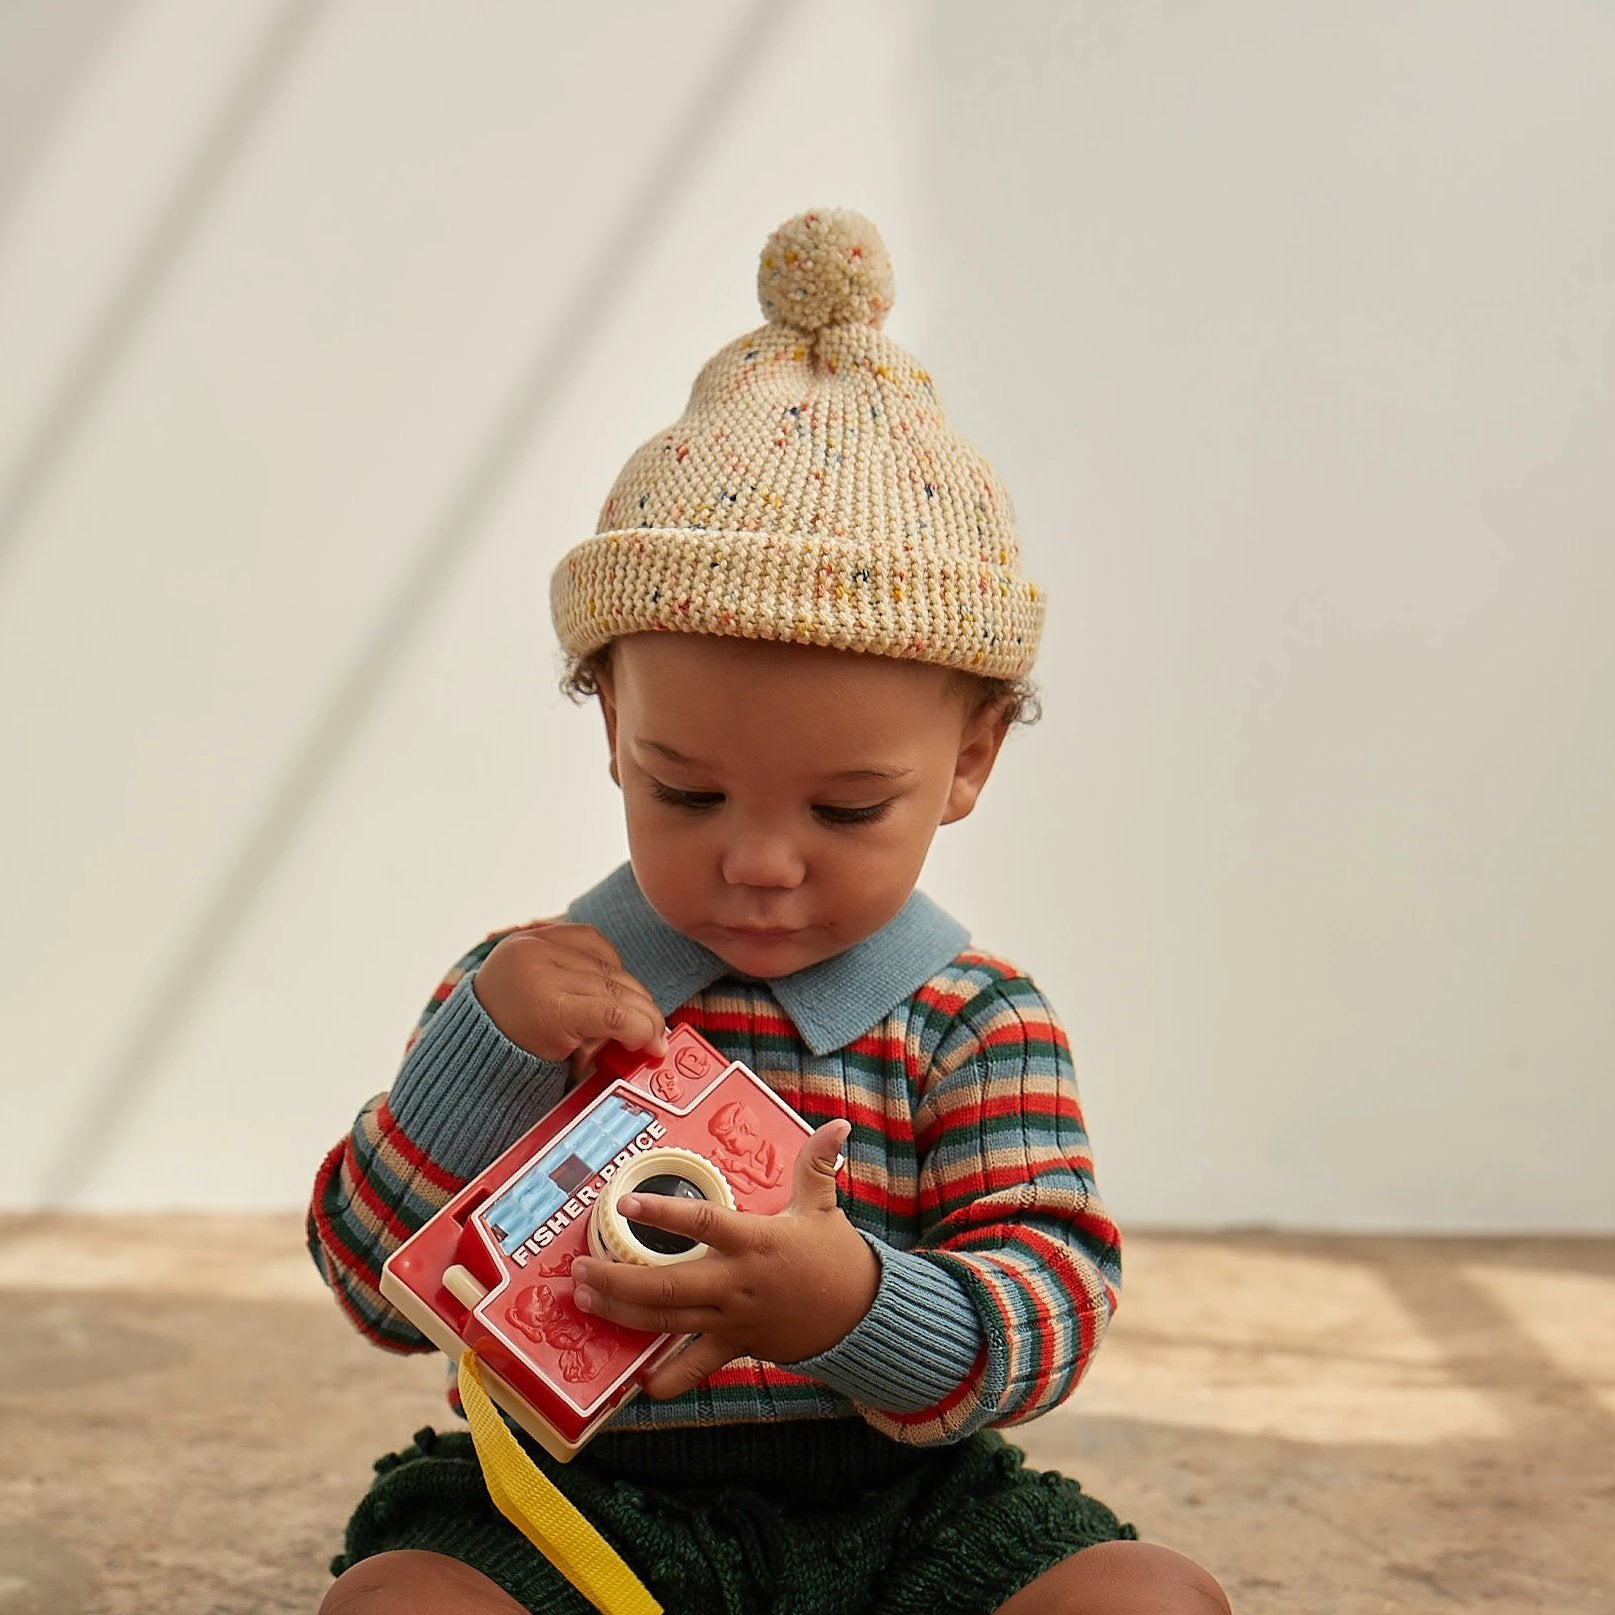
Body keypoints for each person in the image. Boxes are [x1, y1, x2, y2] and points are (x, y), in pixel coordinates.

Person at [308, 207, 1231, 1615]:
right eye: (687, 794)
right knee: (399, 1606)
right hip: (569, 1500)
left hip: (899, 1501)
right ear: (613, 726)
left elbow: (1051, 1310)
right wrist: (478, 1064)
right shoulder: (528, 1002)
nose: (760, 864)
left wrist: (855, 1304)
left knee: (1150, 1598)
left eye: (847, 811)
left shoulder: (972, 1024)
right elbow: (373, 1290)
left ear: (970, 761)